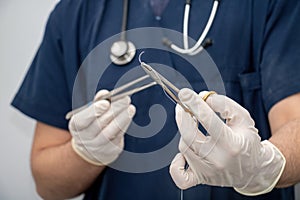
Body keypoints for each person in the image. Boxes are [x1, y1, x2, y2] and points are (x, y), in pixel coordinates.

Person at [11, 0, 300, 199]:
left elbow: (295, 123)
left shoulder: (267, 4)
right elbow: (47, 184)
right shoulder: (76, 13)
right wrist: (85, 152)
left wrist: (262, 166)